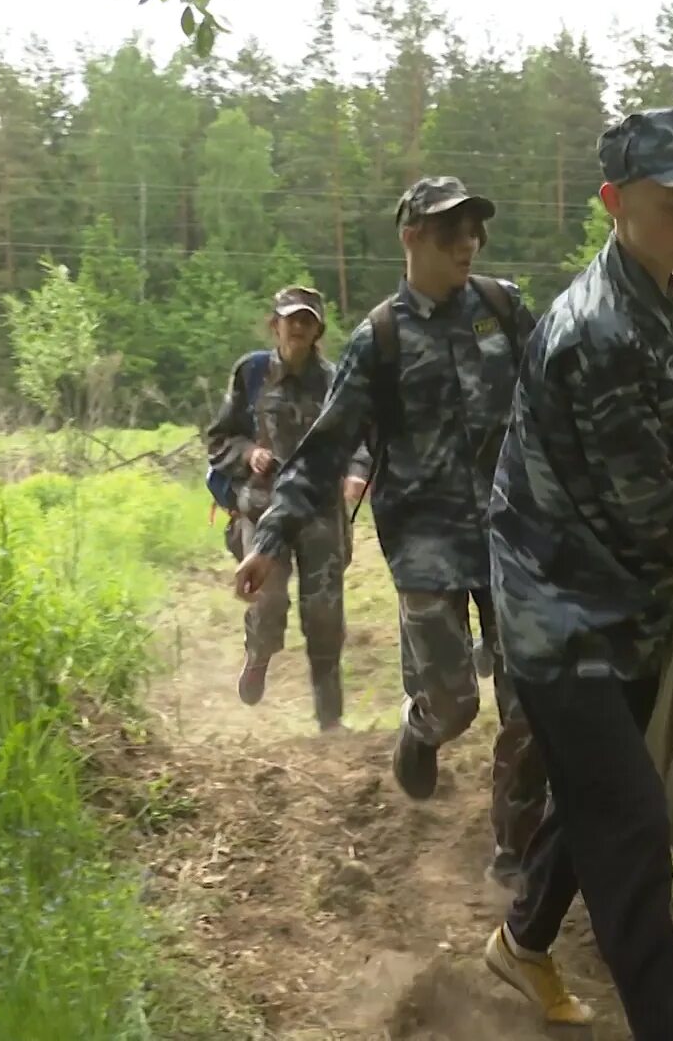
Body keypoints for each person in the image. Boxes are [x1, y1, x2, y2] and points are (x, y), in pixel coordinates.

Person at [481, 106, 673, 1037]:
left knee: (599, 793)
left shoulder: (654, 291)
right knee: (633, 828)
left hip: (620, 596)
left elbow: (650, 433)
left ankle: (520, 944)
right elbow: (643, 507)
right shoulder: (595, 326)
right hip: (556, 608)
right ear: (615, 202)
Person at [235, 177, 546, 858]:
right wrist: (269, 539)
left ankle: (516, 852)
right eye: (449, 232)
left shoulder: (503, 307)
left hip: (513, 533)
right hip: (426, 542)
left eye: (474, 230)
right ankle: (422, 724)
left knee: (530, 706)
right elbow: (323, 454)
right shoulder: (379, 339)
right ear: (411, 237)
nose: (467, 244)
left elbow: (557, 400)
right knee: (456, 701)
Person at [205, 287, 368, 731]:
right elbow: (219, 437)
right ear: (273, 323)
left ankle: (329, 718)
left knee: (324, 612)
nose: (297, 327)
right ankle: (259, 654)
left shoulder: (337, 380)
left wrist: (356, 470)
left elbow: (360, 438)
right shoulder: (252, 374)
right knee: (269, 598)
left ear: (318, 330)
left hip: (320, 512)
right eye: (290, 319)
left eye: (307, 321)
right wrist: (248, 454)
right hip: (261, 508)